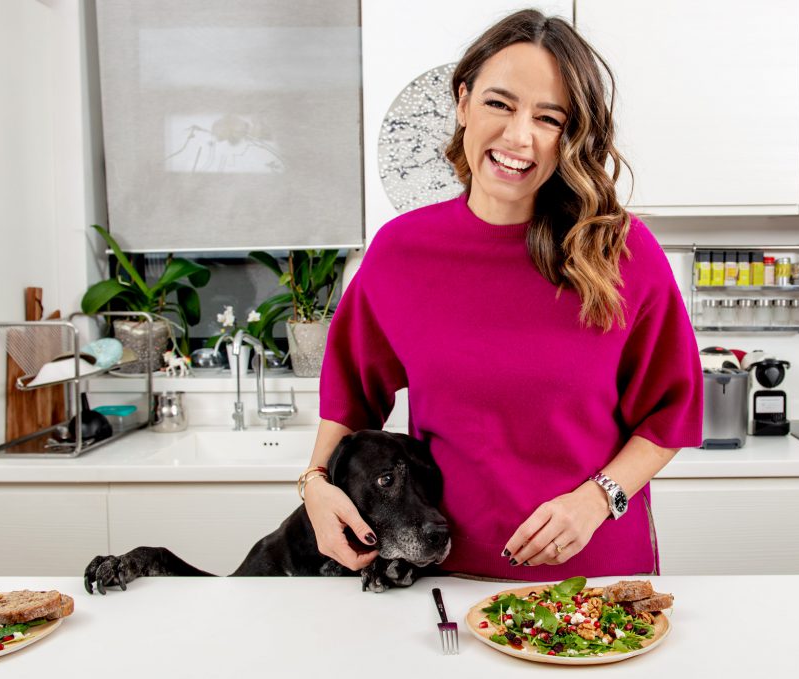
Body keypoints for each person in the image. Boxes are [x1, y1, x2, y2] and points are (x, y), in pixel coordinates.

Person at [299, 9, 703, 580]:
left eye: (548, 117)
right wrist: (315, 485)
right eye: (500, 103)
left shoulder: (620, 250)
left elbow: (670, 413)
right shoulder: (400, 253)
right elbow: (350, 401)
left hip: (595, 578)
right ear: (463, 102)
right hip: (443, 576)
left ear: (570, 136)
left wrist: (597, 499)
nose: (519, 136)